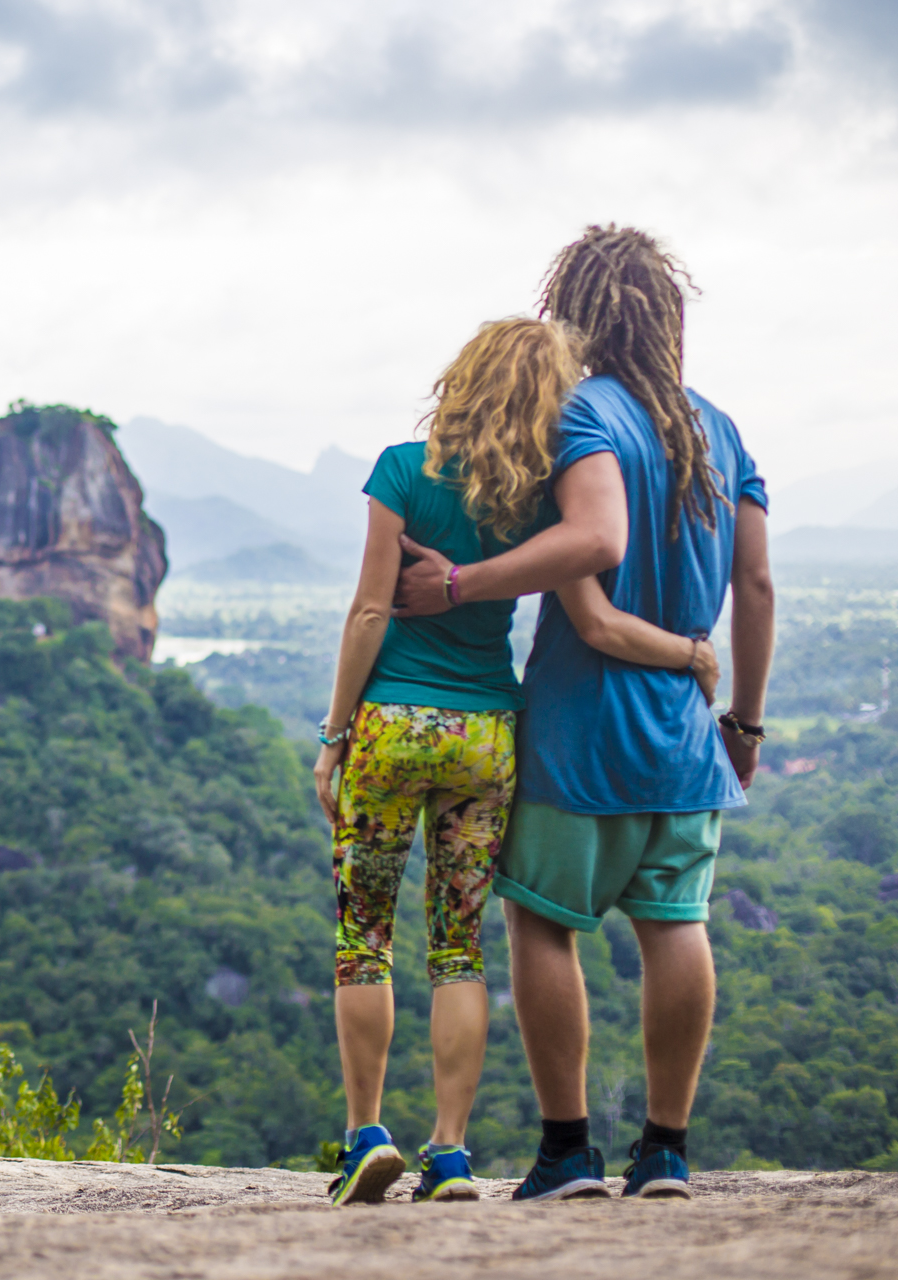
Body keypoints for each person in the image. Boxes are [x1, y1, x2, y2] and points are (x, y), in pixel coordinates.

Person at [392, 225, 775, 1201]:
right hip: (688, 737)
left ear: (579, 309)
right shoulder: (719, 431)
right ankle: (668, 1148)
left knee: (543, 924)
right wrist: (742, 719)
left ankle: (567, 1149)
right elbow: (759, 585)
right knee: (676, 923)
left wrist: (465, 583)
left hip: (581, 730)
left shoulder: (580, 416)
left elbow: (591, 589)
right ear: (667, 314)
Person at [316, 316, 719, 1207]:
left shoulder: (399, 469)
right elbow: (592, 615)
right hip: (489, 734)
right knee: (457, 947)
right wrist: (694, 654)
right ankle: (451, 1154)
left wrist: (335, 734)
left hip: (390, 727)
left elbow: (369, 613)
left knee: (365, 939)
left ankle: (364, 1137)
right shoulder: (537, 499)